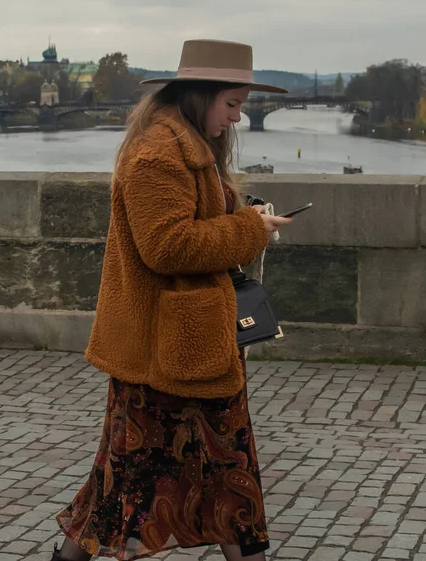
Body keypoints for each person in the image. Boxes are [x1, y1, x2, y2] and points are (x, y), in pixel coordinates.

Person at [52, 39, 293, 561]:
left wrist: (243, 219)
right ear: (198, 95)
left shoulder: (184, 145)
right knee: (140, 484)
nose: (236, 118)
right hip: (164, 353)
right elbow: (168, 246)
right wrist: (249, 228)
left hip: (189, 345)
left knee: (200, 478)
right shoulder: (157, 154)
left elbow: (191, 228)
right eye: (231, 104)